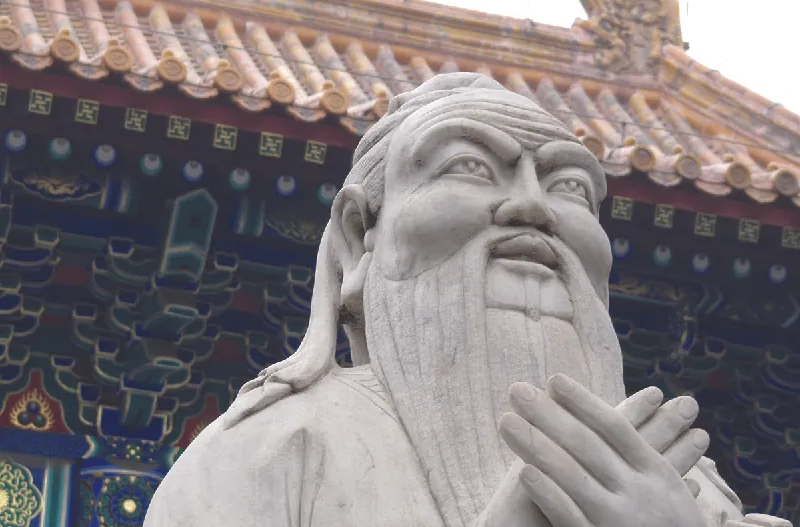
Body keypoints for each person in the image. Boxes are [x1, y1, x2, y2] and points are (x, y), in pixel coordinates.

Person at [144, 73, 786, 527]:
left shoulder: (695, 492)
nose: (532, 206)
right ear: (358, 239)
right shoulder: (271, 452)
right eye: (468, 166)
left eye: (569, 187)